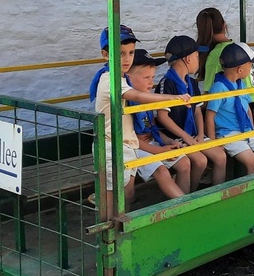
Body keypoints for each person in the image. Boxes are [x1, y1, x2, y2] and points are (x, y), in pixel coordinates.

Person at [89, 25, 191, 204]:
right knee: (115, 200)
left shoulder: (121, 78)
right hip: (111, 147)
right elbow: (137, 96)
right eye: (121, 53)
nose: (127, 59)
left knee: (127, 196)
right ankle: (109, 228)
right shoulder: (109, 80)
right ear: (105, 55)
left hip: (127, 146)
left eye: (131, 52)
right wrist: (173, 97)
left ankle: (118, 224)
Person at [157, 35, 227, 189]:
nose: (198, 60)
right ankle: (191, 195)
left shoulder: (192, 83)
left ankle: (217, 194)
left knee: (220, 156)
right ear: (188, 59)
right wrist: (187, 138)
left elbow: (197, 111)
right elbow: (162, 117)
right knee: (200, 161)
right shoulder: (166, 83)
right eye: (197, 56)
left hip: (194, 134)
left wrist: (201, 134)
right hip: (175, 137)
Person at [126, 49, 193, 194]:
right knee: (162, 172)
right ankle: (184, 205)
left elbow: (152, 130)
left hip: (151, 143)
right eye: (146, 78)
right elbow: (131, 141)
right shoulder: (126, 104)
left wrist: (169, 142)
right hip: (135, 148)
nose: (151, 82)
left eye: (153, 77)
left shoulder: (147, 98)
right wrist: (159, 151)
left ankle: (182, 204)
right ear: (128, 78)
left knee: (185, 163)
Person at [205, 43, 254, 175]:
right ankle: (251, 193)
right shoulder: (218, 88)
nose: (252, 67)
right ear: (240, 69)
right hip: (228, 134)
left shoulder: (241, 84)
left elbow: (247, 109)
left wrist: (252, 129)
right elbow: (210, 116)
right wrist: (213, 144)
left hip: (246, 129)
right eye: (250, 64)